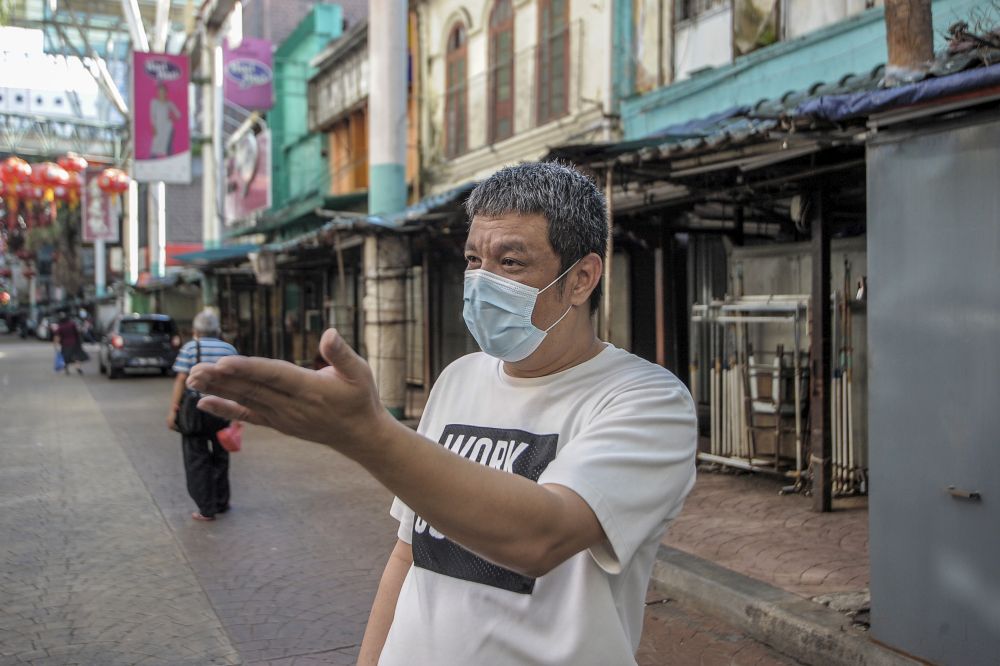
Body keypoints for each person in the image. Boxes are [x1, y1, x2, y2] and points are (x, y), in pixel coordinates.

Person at [187, 162, 698, 664]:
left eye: (510, 262)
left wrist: (365, 435)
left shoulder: (647, 401)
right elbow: (408, 554)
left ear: (582, 278)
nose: (481, 281)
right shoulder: (459, 378)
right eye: (474, 260)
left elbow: (542, 536)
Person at [167, 310, 238, 522]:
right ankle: (221, 502)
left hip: (196, 410)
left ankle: (206, 509)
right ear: (217, 330)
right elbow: (236, 382)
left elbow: (181, 379)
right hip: (221, 408)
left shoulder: (190, 348)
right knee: (220, 455)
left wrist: (173, 410)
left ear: (196, 331)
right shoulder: (228, 348)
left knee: (196, 457)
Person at [149, 82, 180, 158]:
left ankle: (171, 164)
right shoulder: (154, 102)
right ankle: (151, 165)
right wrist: (153, 127)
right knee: (155, 148)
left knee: (168, 147)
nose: (161, 93)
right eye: (160, 91)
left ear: (166, 92)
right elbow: (152, 115)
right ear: (158, 92)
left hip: (167, 128)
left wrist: (171, 118)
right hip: (158, 127)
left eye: (163, 91)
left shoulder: (169, 103)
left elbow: (178, 114)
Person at [53, 311, 85, 375]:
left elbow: (56, 336)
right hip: (74, 343)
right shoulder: (72, 324)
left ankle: (66, 369)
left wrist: (55, 345)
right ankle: (78, 368)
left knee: (66, 357)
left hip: (65, 344)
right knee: (76, 356)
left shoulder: (61, 326)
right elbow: (77, 333)